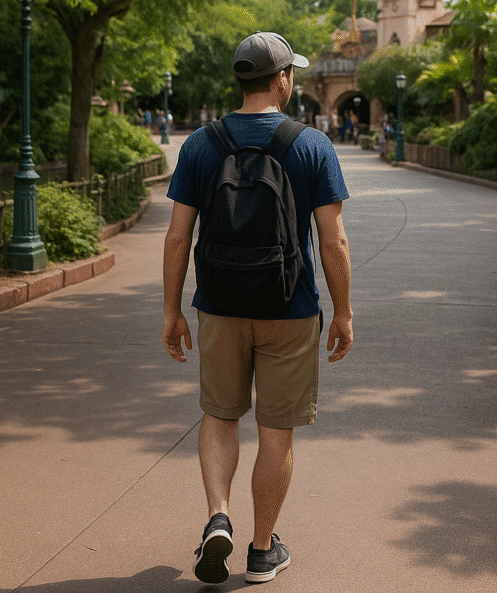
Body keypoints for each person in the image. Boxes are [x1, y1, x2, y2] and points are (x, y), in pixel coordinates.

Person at [162, 31, 353, 585]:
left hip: (218, 306)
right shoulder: (311, 145)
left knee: (220, 417)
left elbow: (177, 239)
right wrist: (342, 311)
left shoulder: (200, 145)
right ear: (282, 79)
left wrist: (172, 310)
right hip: (289, 309)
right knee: (276, 433)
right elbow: (333, 240)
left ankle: (217, 516)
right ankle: (262, 550)